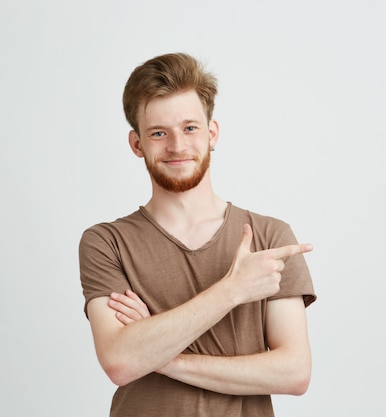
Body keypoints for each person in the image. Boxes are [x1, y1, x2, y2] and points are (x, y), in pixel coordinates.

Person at [79, 52, 316, 417]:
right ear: (137, 144)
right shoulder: (106, 243)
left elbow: (294, 373)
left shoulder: (271, 236)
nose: (177, 146)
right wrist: (233, 289)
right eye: (159, 133)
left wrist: (160, 356)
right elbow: (120, 363)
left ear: (212, 132)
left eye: (190, 128)